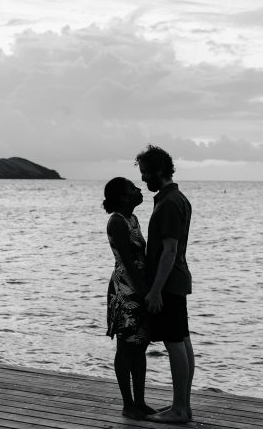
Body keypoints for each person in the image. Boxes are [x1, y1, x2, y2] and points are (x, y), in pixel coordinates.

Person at [135, 145, 194, 424]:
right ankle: (183, 406)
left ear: (159, 170)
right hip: (177, 278)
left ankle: (179, 409)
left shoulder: (170, 203)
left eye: (146, 173)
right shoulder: (175, 198)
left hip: (169, 281)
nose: (144, 179)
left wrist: (156, 289)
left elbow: (169, 250)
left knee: (174, 342)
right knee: (181, 340)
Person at [103, 177, 157, 420]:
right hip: (126, 289)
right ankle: (128, 404)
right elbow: (127, 260)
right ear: (123, 197)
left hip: (138, 285)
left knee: (140, 344)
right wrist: (146, 292)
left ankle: (140, 402)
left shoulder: (132, 219)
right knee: (126, 347)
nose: (138, 190)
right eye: (133, 188)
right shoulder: (116, 221)